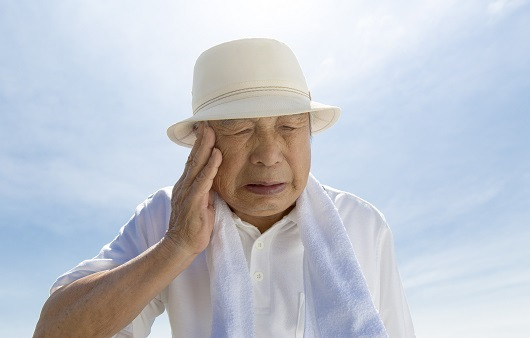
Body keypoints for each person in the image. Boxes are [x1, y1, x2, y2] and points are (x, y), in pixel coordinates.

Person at [34, 38, 415, 337]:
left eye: (288, 127)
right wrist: (176, 246)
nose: (268, 155)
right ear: (202, 142)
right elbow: (54, 331)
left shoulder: (363, 224)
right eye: (241, 130)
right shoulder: (167, 215)